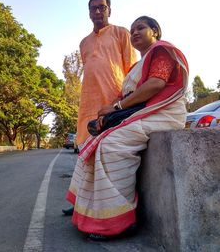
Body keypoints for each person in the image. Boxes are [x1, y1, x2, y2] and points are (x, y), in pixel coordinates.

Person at [65, 16, 189, 240]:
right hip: (145, 112)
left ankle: (119, 221)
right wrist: (110, 112)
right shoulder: (136, 66)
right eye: (132, 30)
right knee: (93, 144)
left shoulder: (161, 50)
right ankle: (86, 208)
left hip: (164, 113)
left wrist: (118, 107)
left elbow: (156, 85)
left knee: (111, 145)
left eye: (141, 28)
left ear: (155, 31)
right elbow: (128, 97)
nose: (135, 33)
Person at [62, 0, 137, 216]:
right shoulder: (84, 42)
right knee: (86, 156)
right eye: (93, 8)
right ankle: (81, 205)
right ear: (88, 13)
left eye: (101, 8)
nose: (97, 12)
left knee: (108, 158)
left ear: (109, 10)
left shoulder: (121, 34)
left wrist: (123, 102)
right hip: (88, 105)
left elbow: (132, 71)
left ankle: (106, 209)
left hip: (112, 105)